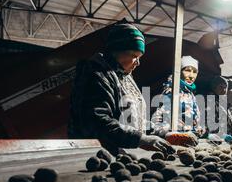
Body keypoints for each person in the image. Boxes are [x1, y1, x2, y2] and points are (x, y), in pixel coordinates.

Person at [68, 23, 172, 155]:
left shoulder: (123, 75)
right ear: (116, 51)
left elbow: (135, 118)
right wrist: (140, 139)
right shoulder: (96, 74)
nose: (138, 63)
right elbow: (97, 121)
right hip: (95, 155)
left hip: (119, 153)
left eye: (140, 57)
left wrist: (164, 134)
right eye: (135, 55)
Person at [151, 56, 204, 139]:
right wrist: (170, 133)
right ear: (179, 71)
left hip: (189, 140)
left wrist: (200, 130)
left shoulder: (191, 94)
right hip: (174, 142)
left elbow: (194, 119)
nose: (191, 76)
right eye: (187, 70)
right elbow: (156, 120)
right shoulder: (171, 91)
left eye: (195, 72)